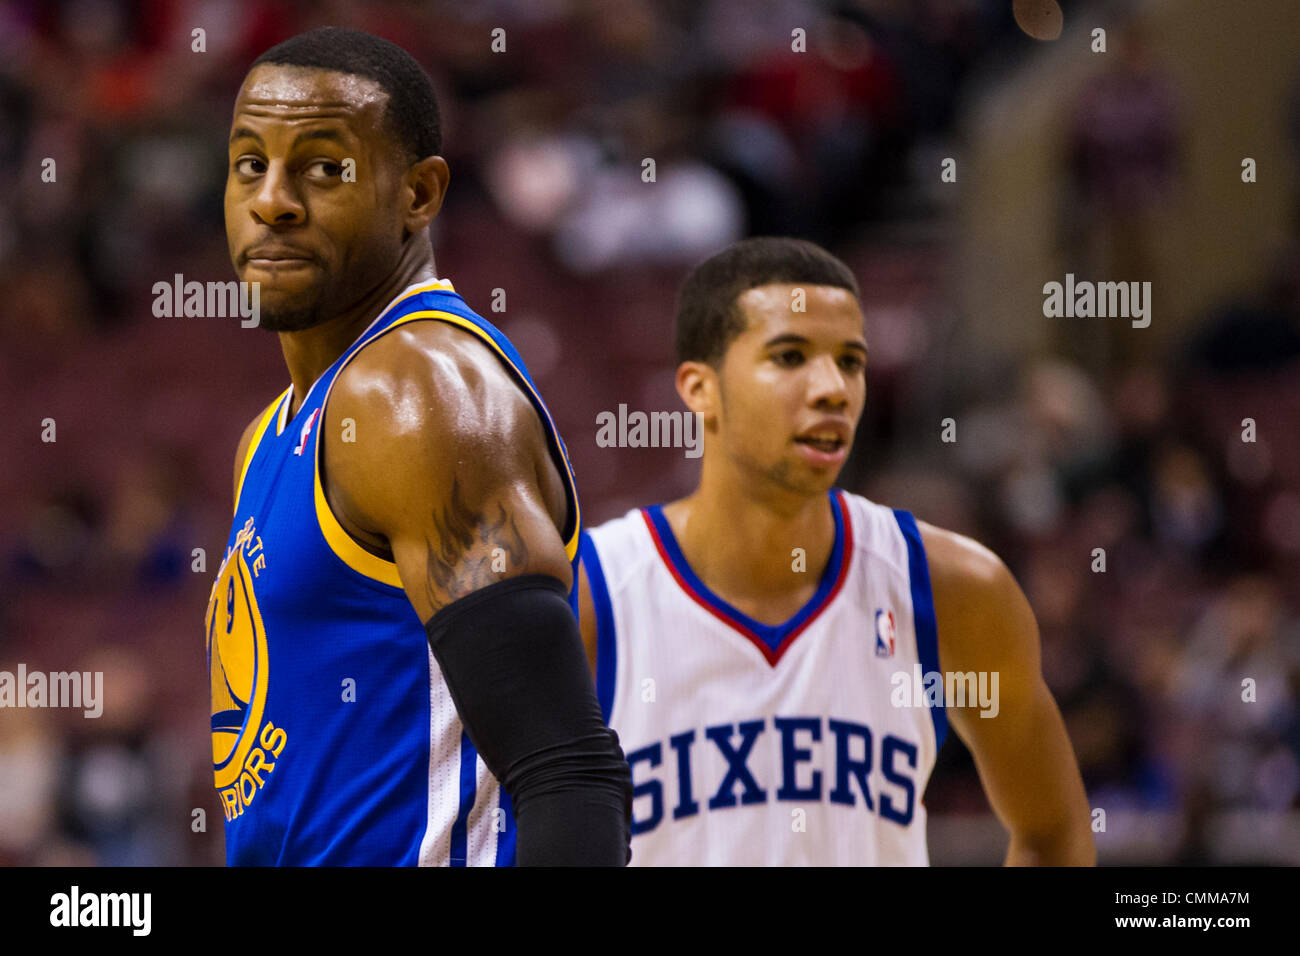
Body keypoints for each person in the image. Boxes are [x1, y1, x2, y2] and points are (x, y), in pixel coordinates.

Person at [207, 27, 630, 866]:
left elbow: (570, 779)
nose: (273, 200)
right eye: (250, 164)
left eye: (324, 167)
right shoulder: (274, 431)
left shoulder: (415, 394)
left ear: (420, 193)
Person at [576, 237, 1094, 865]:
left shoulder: (954, 588)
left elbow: (1054, 833)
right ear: (699, 389)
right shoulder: (591, 599)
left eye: (850, 362)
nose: (833, 390)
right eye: (789, 356)